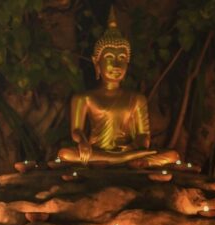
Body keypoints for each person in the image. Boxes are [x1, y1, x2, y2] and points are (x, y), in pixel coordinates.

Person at [57, 8, 179, 167]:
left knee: (172, 155)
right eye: (109, 58)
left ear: (128, 63)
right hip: (96, 151)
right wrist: (83, 142)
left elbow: (143, 135)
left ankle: (116, 161)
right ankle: (120, 162)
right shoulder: (84, 98)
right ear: (96, 62)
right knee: (65, 154)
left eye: (122, 58)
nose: (116, 64)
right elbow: (76, 131)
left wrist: (131, 149)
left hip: (127, 152)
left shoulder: (137, 99)